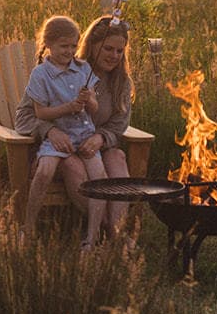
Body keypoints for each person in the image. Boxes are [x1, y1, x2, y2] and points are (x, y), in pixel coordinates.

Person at [18, 15, 135, 235]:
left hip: (95, 145)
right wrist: (50, 130)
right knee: (73, 165)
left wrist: (100, 138)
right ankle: (104, 228)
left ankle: (116, 231)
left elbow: (119, 123)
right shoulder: (68, 69)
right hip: (64, 148)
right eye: (108, 49)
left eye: (120, 51)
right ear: (91, 45)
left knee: (117, 157)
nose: (114, 56)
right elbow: (24, 116)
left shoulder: (121, 82)